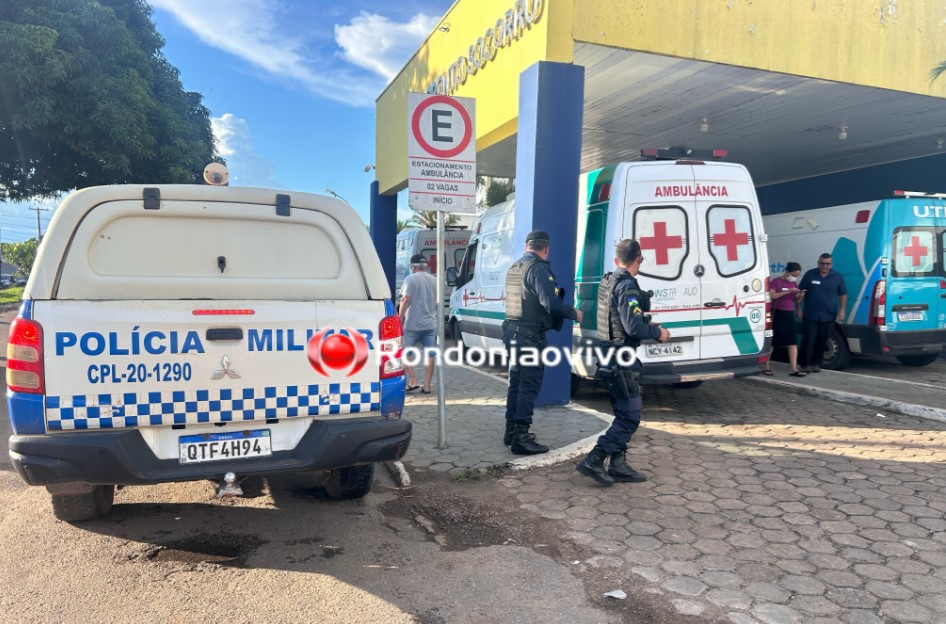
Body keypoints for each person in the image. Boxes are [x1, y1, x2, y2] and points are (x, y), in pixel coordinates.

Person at [576, 239, 670, 486]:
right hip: (621, 357)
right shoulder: (627, 285)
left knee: (621, 413)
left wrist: (644, 322)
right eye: (641, 259)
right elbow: (632, 326)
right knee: (630, 417)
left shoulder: (608, 281)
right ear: (638, 258)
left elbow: (619, 319)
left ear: (616, 260)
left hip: (609, 353)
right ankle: (594, 459)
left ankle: (618, 465)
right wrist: (655, 333)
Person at [502, 230, 582, 455]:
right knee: (528, 386)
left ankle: (511, 431)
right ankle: (521, 437)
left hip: (513, 333)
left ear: (527, 245)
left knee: (516, 384)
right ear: (545, 248)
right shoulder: (537, 268)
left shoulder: (514, 268)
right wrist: (574, 313)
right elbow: (551, 303)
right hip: (529, 338)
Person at [798, 252, 847, 373]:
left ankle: (816, 364)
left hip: (828, 315)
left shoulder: (837, 276)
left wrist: (842, 310)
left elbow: (843, 294)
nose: (825, 266)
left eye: (827, 264)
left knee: (822, 340)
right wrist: (798, 307)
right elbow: (800, 292)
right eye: (822, 263)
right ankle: (805, 364)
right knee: (808, 340)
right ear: (818, 263)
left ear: (831, 264)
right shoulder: (810, 274)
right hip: (810, 314)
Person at [399, 254, 438, 393]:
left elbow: (405, 300)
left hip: (412, 325)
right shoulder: (434, 279)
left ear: (412, 266)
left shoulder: (410, 279)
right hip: (430, 325)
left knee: (405, 353)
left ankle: (413, 381)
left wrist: (399, 318)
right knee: (430, 355)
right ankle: (427, 386)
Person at [763, 261, 807, 377]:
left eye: (797, 276)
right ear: (787, 272)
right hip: (777, 313)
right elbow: (772, 296)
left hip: (789, 314)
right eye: (794, 275)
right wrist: (786, 292)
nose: (794, 278)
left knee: (792, 340)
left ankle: (793, 367)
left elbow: (795, 300)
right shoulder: (776, 281)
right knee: (773, 340)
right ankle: (766, 364)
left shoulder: (794, 284)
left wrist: (799, 296)